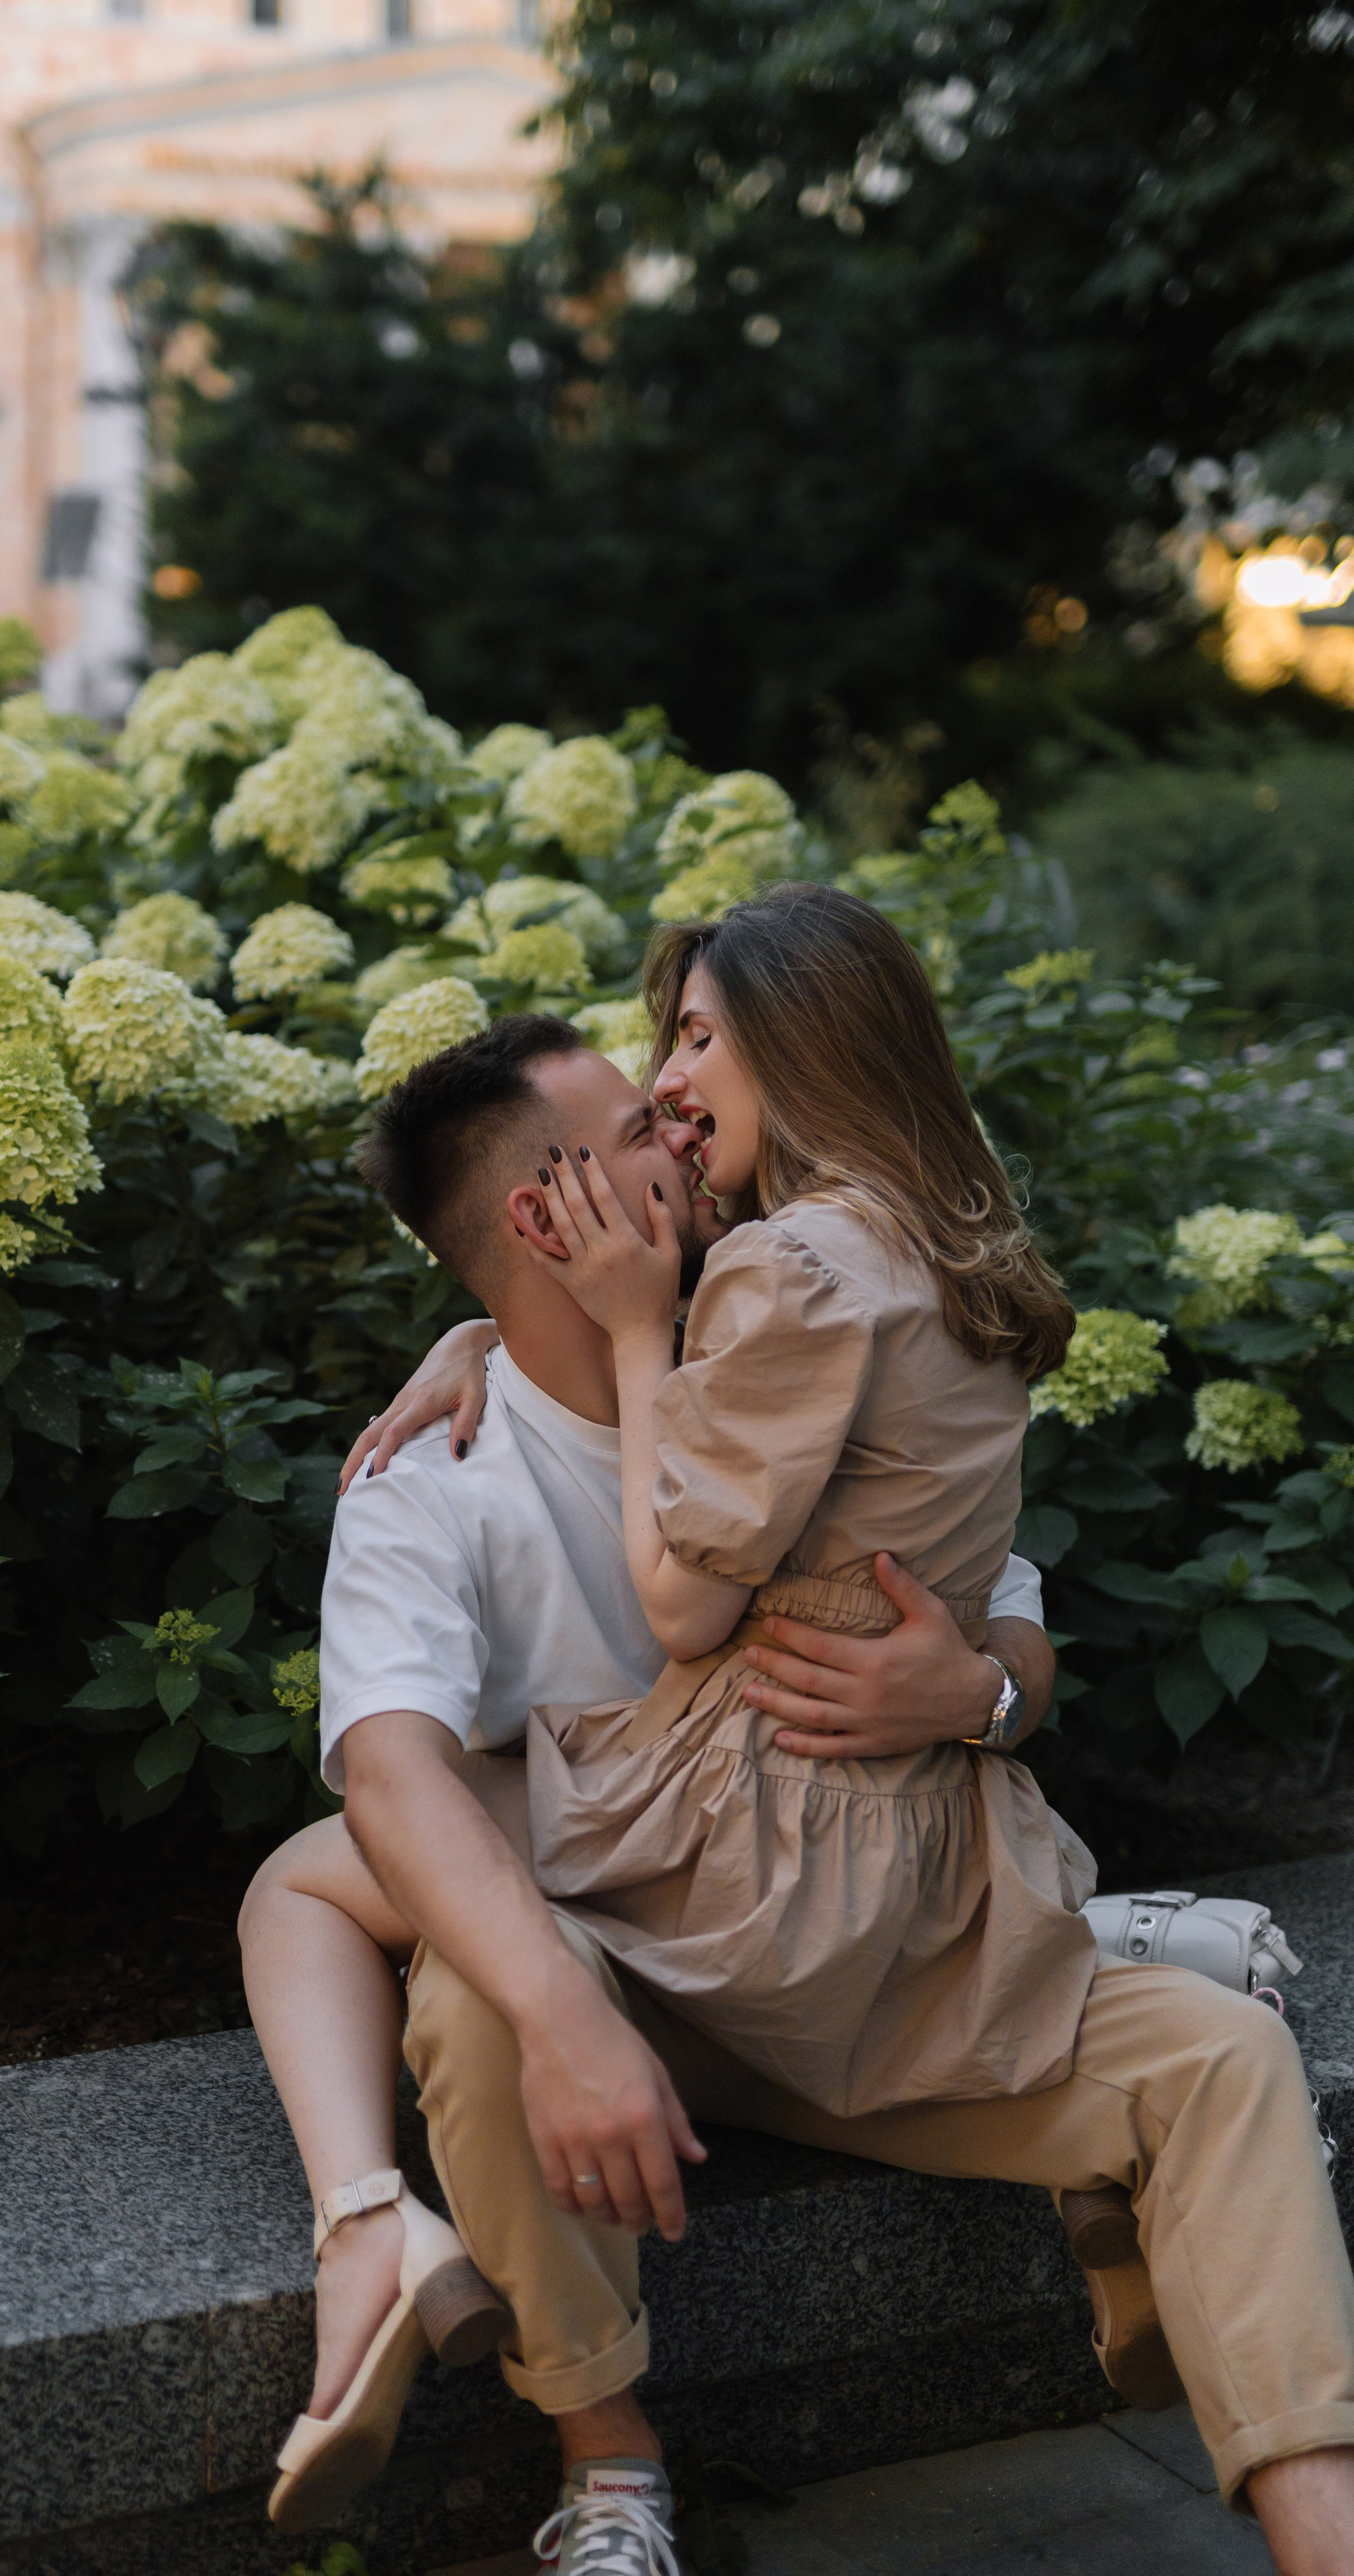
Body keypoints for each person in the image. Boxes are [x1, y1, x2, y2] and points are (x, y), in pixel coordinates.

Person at [247, 1004, 1354, 2576]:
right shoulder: (432, 1485)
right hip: (637, 1994)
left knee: (1227, 2058)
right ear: (541, 1216)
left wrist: (977, 1689)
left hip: (864, 1960)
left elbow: (996, 1567)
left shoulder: (762, 1327)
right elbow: (384, 1771)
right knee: (485, 1991)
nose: (680, 1131)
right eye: (638, 1128)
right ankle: (610, 2472)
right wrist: (567, 2023)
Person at [514, 885, 1098, 2115]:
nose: (668, 1080)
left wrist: (631, 1334)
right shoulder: (947, 1258)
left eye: (699, 1036)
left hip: (771, 1857)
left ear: (808, 1041)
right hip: (941, 1849)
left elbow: (682, 1611)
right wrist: (474, 1347)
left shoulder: (788, 1268)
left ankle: (380, 2227)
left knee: (324, 1877)